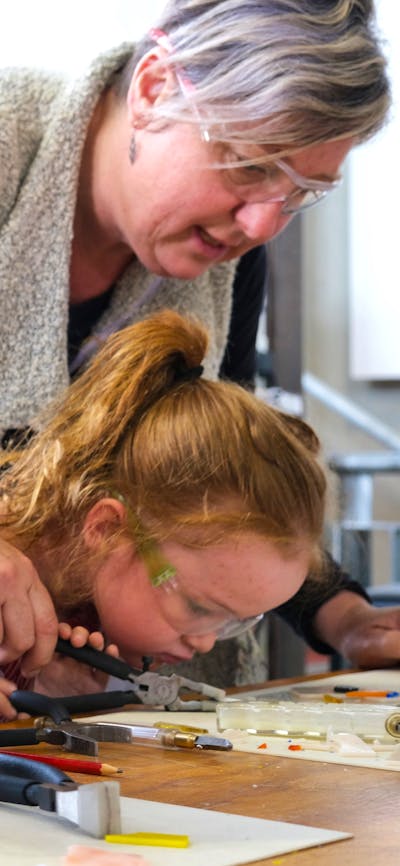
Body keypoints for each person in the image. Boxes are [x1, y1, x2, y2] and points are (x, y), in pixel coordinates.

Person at [0, 0, 398, 680]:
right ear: (155, 88)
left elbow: (230, 483)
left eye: (303, 194)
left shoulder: (231, 261)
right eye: (250, 166)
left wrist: (347, 619)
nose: (264, 224)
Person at [0, 309, 326, 718]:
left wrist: (59, 701)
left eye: (238, 621)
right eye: (198, 608)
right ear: (105, 529)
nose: (206, 644)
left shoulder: (94, 619)